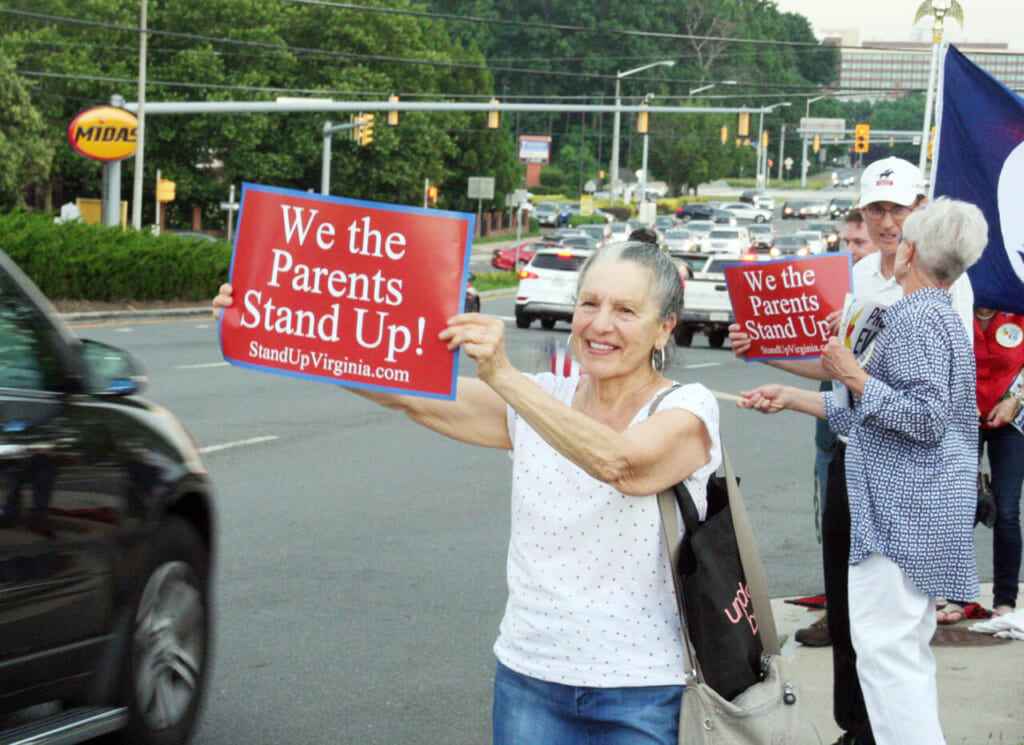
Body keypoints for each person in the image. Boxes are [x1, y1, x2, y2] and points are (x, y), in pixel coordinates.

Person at [214, 241, 722, 745]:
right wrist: (273, 325)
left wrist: (502, 375)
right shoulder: (543, 399)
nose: (601, 323)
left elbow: (620, 462)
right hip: (531, 678)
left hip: (644, 689)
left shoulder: (687, 408)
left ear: (664, 327)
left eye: (626, 310)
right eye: (589, 303)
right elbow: (411, 396)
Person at [728, 157, 974, 745]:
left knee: (888, 654)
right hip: (882, 477)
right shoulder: (882, 286)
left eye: (900, 214)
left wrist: (855, 376)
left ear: (915, 242)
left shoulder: (922, 313)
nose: (888, 225)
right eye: (876, 209)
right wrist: (790, 385)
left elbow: (926, 417)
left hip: (902, 498)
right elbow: (865, 406)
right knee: (888, 648)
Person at [799, 206, 879, 649]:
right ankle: (837, 611)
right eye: (845, 243)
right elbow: (819, 364)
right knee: (830, 521)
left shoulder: (888, 292)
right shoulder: (838, 287)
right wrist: (761, 353)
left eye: (858, 243)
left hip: (873, 434)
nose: (850, 252)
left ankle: (853, 617)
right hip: (833, 422)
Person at [937, 308, 1024, 622]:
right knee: (958, 505)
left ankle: (1005, 600)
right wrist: (957, 399)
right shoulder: (955, 308)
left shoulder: (1018, 304)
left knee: (1008, 509)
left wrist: (1016, 399)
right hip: (962, 415)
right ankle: (956, 599)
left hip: (1011, 418)